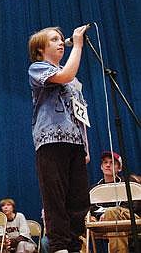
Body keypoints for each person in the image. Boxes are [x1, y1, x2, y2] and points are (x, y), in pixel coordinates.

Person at [28, 25, 91, 253]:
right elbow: (65, 75)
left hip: (75, 142)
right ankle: (59, 247)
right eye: (54, 39)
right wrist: (79, 44)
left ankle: (74, 245)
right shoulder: (38, 69)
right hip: (51, 141)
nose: (60, 42)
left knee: (78, 200)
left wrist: (85, 146)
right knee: (55, 198)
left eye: (60, 39)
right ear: (40, 49)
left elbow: (80, 112)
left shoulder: (73, 79)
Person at [85, 151, 141, 252]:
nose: (107, 165)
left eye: (112, 163)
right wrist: (93, 217)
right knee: (79, 219)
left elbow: (134, 207)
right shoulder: (94, 188)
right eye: (105, 162)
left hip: (129, 219)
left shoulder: (128, 184)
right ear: (101, 167)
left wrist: (107, 214)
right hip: (100, 222)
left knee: (112, 213)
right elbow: (89, 208)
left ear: (119, 168)